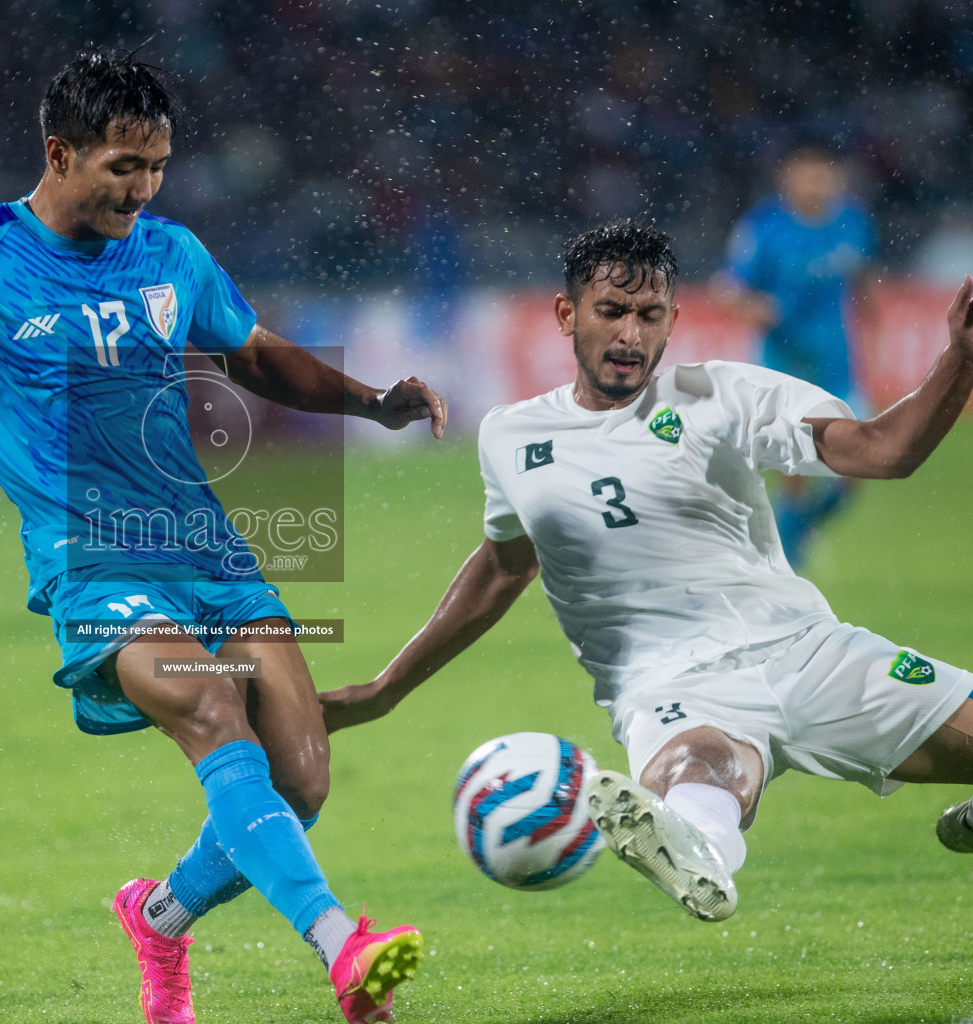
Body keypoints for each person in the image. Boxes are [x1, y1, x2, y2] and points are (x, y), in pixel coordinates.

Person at [0, 52, 441, 1024]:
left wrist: (371, 404)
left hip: (209, 548)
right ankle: (340, 944)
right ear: (59, 152)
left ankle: (158, 915)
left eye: (154, 167)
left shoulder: (172, 254)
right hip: (90, 556)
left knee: (304, 777)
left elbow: (255, 354)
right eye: (121, 166)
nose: (140, 188)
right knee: (207, 711)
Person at [320, 219, 973, 923]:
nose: (630, 334)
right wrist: (385, 690)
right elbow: (503, 568)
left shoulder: (719, 395)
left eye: (648, 315)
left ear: (673, 321)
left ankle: (697, 837)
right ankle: (695, 849)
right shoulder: (512, 437)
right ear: (568, 314)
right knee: (700, 772)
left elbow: (884, 452)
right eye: (611, 312)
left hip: (807, 649)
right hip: (670, 687)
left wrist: (961, 354)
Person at [715, 145, 879, 569]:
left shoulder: (852, 223)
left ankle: (798, 528)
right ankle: (787, 560)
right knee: (797, 467)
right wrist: (757, 307)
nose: (815, 181)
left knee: (861, 467)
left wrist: (871, 324)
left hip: (836, 363)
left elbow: (863, 281)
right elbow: (727, 288)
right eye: (806, 172)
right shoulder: (764, 228)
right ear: (787, 177)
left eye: (823, 173)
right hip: (783, 366)